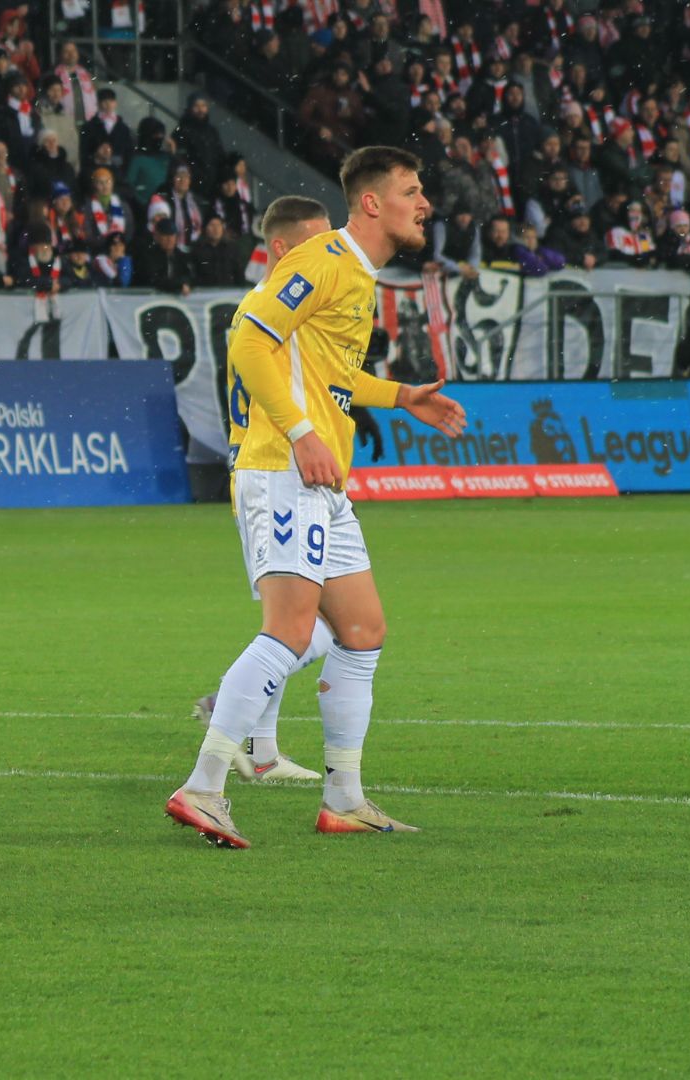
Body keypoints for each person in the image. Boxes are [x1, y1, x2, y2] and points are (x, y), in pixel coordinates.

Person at [166, 147, 468, 848]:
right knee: (291, 632)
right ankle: (203, 786)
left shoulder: (355, 273)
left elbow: (329, 373)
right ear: (373, 202)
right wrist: (301, 433)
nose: (424, 203)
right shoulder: (324, 259)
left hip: (323, 480)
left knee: (361, 632)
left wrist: (401, 396)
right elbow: (249, 338)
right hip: (284, 468)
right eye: (411, 191)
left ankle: (345, 799)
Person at [190, 196, 334, 783]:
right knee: (310, 625)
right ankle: (231, 703)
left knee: (322, 621)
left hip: (281, 472)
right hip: (274, 474)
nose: (327, 254)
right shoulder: (270, 309)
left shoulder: (276, 307)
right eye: (316, 242)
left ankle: (264, 751)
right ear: (281, 247)